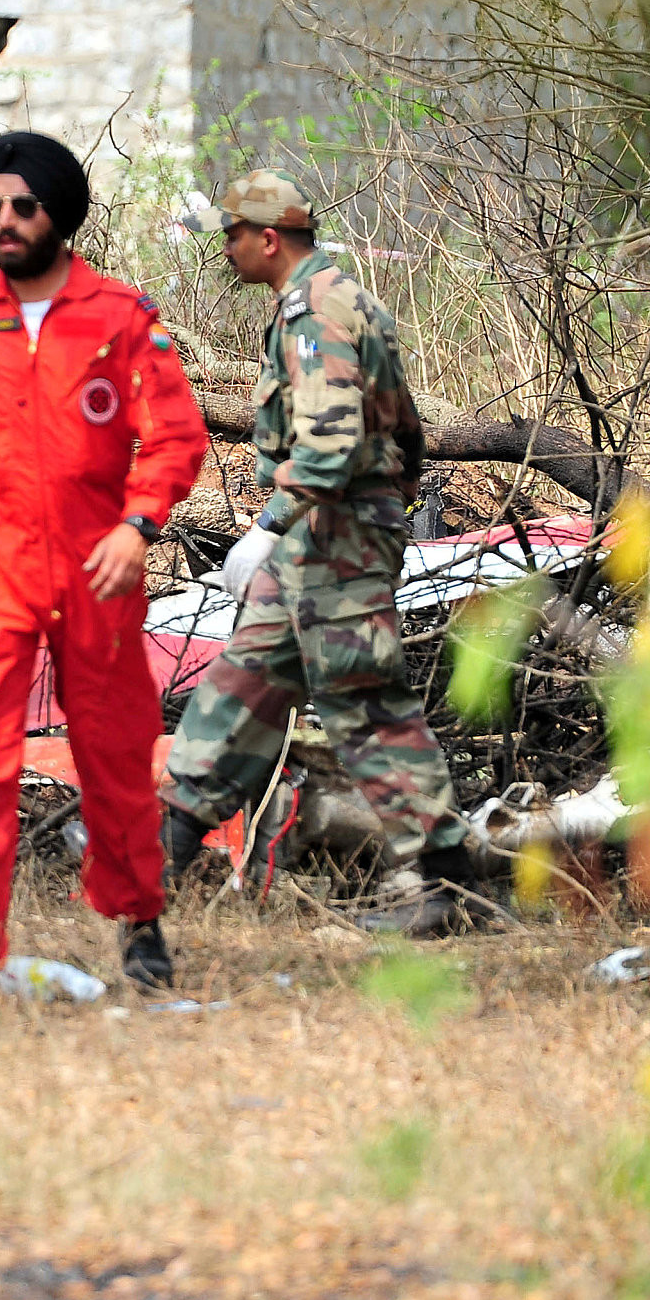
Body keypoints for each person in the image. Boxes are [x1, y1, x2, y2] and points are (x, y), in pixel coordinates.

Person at [0, 131, 209, 1007]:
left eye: (22, 206)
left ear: (57, 215)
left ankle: (140, 924)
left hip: (96, 580)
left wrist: (139, 526)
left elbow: (178, 437)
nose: (4, 221)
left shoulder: (119, 317)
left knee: (114, 760)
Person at [161, 168, 479, 936]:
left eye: (232, 236)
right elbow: (403, 432)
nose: (226, 251)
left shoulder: (316, 313)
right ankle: (160, 855)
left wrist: (269, 524)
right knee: (241, 684)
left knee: (364, 705)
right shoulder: (334, 301)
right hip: (321, 537)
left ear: (269, 239)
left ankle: (446, 887)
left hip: (334, 539)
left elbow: (334, 445)